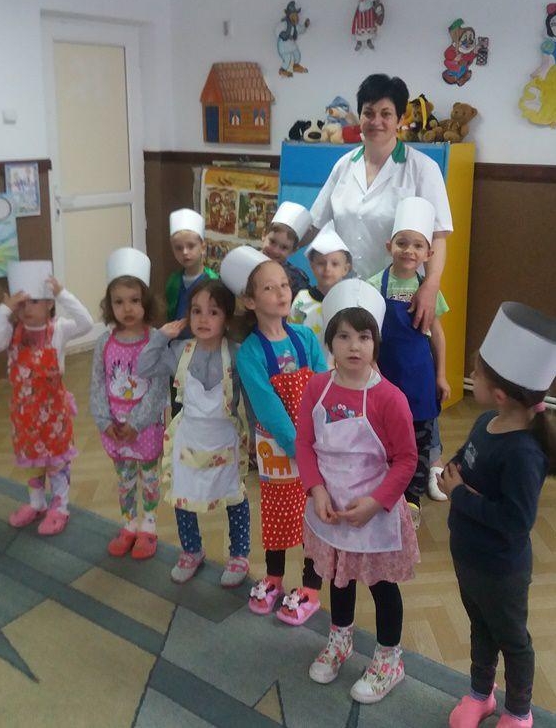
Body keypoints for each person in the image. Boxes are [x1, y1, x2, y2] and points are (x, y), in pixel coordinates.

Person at [296, 279, 419, 702]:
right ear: (329, 341)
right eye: (344, 336)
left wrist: (376, 503)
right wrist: (315, 490)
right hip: (329, 509)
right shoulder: (317, 388)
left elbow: (406, 460)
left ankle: (389, 659)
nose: (354, 346)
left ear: (375, 343)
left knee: (383, 587)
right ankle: (340, 639)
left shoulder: (390, 398)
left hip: (374, 514)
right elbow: (304, 444)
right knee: (339, 578)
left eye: (364, 337)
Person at [437, 302, 556, 728]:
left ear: (501, 393)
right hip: (468, 554)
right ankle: (481, 694)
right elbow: (467, 456)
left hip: (501, 569)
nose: (472, 372)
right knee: (480, 627)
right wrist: (452, 469)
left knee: (512, 640)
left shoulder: (524, 454)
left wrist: (459, 495)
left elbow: (515, 522)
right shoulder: (486, 420)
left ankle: (519, 711)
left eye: (477, 371)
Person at [221, 246, 328, 624]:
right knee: (278, 514)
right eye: (269, 288)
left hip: (314, 442)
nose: (282, 293)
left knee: (315, 514)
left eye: (284, 284)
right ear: (250, 301)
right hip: (278, 449)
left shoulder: (305, 338)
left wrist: (316, 441)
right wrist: (298, 446)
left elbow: (322, 388)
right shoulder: (250, 352)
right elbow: (267, 408)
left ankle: (311, 587)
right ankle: (275, 577)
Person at [309, 73, 453, 335]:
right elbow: (315, 223)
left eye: (386, 114)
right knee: (348, 355)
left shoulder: (423, 168)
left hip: (399, 295)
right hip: (344, 292)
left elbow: (438, 235)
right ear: (360, 117)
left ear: (400, 119)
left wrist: (431, 286)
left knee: (395, 357)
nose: (376, 121)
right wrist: (275, 250)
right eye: (368, 113)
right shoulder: (344, 166)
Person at [136, 279, 251, 588]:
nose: (203, 319)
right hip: (188, 439)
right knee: (183, 495)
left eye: (213, 312)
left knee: (234, 495)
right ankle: (191, 550)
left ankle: (239, 554)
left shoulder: (238, 355)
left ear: (226, 317)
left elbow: (252, 398)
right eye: (196, 311)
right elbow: (143, 368)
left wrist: (257, 437)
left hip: (224, 439)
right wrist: (160, 337)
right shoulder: (179, 351)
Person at [0, 260, 93, 535]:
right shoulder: (12, 332)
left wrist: (62, 293)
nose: (26, 308)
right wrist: (4, 309)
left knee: (56, 462)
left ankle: (60, 508)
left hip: (54, 412)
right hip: (24, 414)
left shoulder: (60, 329)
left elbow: (87, 323)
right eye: (21, 303)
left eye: (33, 301)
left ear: (49, 303)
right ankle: (37, 503)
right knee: (32, 462)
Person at [368, 197, 451, 523]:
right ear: (389, 246)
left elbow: (438, 335)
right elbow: (369, 334)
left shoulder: (427, 290)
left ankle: (411, 497)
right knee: (385, 438)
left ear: (428, 254)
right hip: (385, 377)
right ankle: (384, 492)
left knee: (418, 441)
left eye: (418, 245)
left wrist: (441, 375)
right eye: (402, 243)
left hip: (419, 377)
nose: (409, 251)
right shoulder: (374, 285)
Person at [90, 248, 167, 560]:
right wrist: (104, 420)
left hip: (144, 427)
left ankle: (148, 526)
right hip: (114, 427)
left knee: (149, 477)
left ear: (146, 301)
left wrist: (137, 422)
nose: (127, 308)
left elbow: (158, 388)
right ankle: (129, 524)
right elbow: (97, 383)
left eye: (134, 300)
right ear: (110, 305)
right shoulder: (104, 343)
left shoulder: (155, 340)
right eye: (119, 301)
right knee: (124, 480)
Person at [289, 221, 352, 364]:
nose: (327, 269)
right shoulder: (302, 300)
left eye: (335, 264)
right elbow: (291, 335)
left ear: (345, 269)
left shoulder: (350, 302)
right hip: (306, 367)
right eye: (321, 263)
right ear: (312, 265)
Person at [165, 208, 218, 333]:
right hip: (177, 340)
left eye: (191, 246)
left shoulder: (213, 281)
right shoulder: (173, 281)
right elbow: (170, 314)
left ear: (203, 247)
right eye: (179, 248)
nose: (185, 252)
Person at [261, 201, 311, 299]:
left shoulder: (297, 280)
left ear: (293, 251)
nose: (275, 251)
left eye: (284, 247)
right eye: (272, 242)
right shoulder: (245, 260)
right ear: (264, 235)